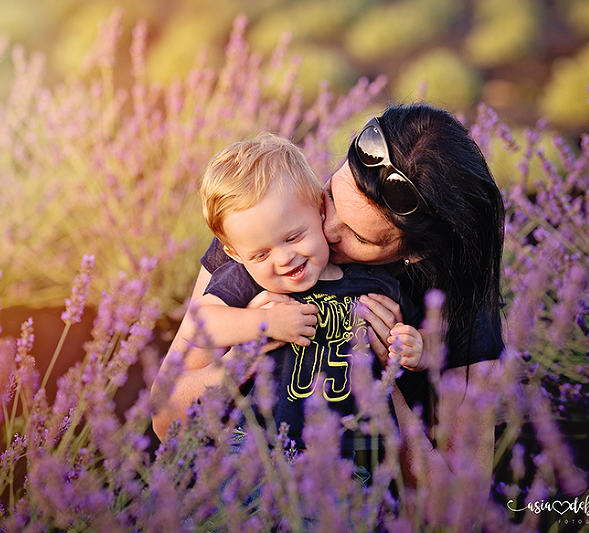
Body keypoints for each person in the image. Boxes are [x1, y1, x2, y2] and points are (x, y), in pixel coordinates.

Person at [152, 103, 504, 512]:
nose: (328, 229)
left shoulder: (461, 306)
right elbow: (164, 420)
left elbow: (458, 511)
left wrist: (380, 380)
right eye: (333, 196)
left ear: (414, 255)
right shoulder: (269, 229)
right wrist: (249, 349)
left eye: (360, 236)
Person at [153, 132, 423, 454]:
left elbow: (418, 336)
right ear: (234, 253)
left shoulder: (373, 282)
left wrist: (414, 350)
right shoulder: (248, 280)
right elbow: (202, 321)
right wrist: (263, 322)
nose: (283, 259)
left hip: (344, 451)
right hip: (255, 445)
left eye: (293, 237)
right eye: (260, 254)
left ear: (320, 208)